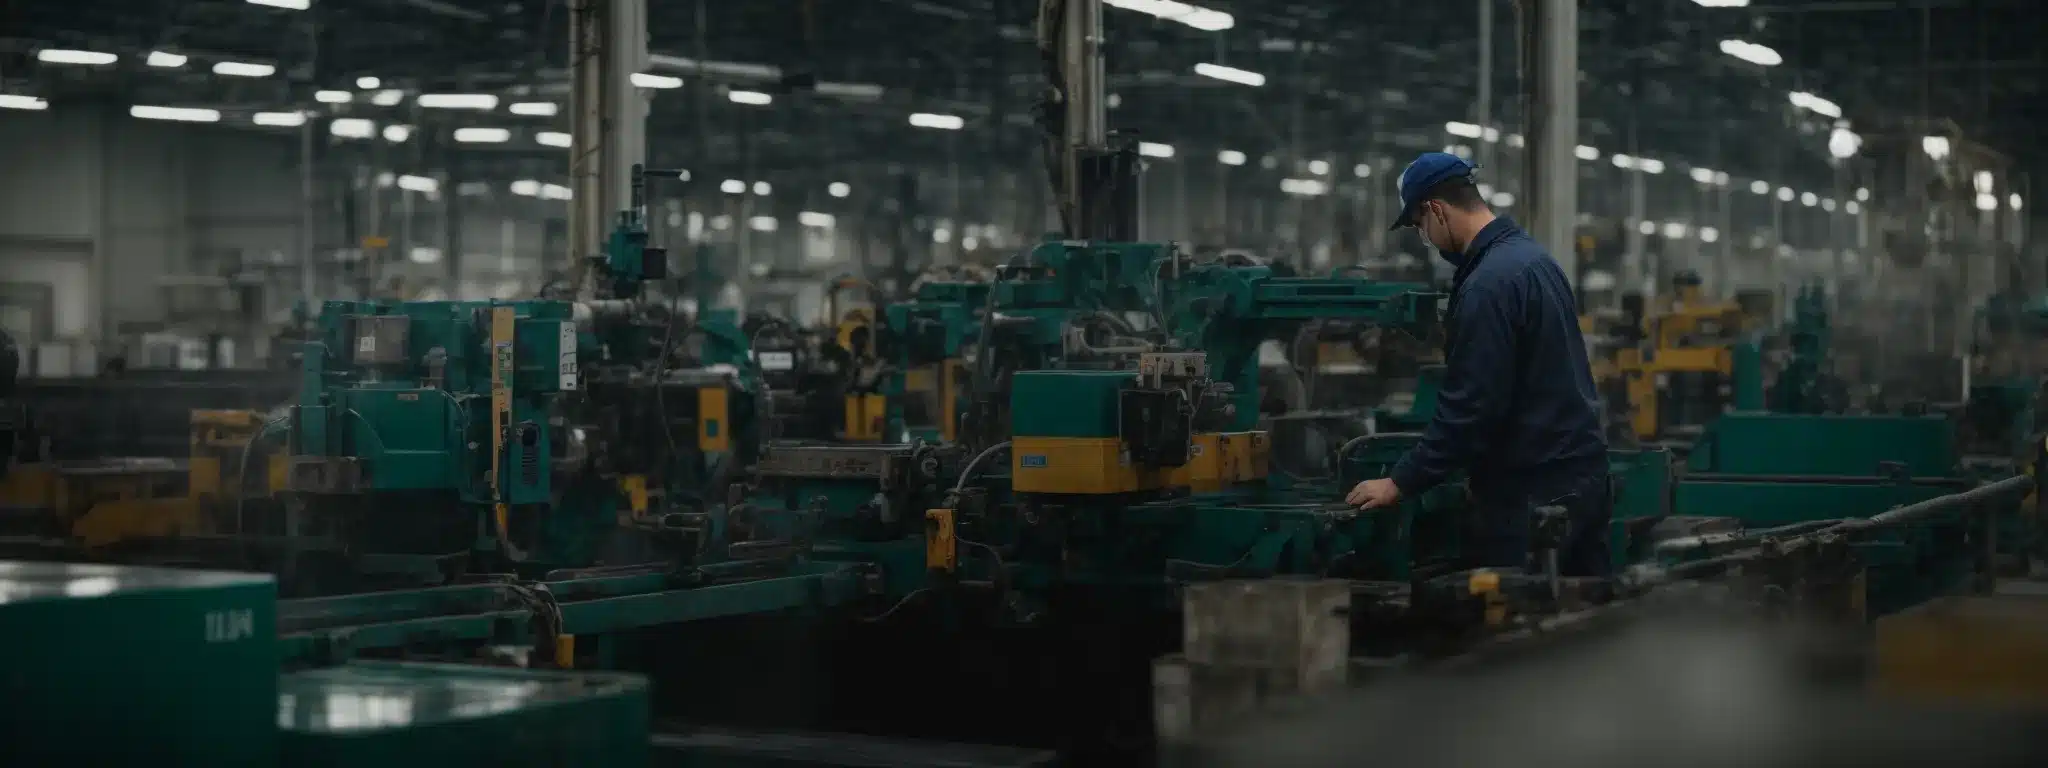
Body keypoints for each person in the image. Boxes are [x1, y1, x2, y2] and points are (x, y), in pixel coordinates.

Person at [1344, 152, 1611, 576]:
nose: (1426, 239)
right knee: (1581, 610)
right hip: (1581, 478)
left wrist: (1401, 481)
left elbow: (1472, 407)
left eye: (1419, 225)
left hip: (1531, 492)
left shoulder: (1488, 284)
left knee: (1519, 614)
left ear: (1435, 210)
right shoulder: (1534, 260)